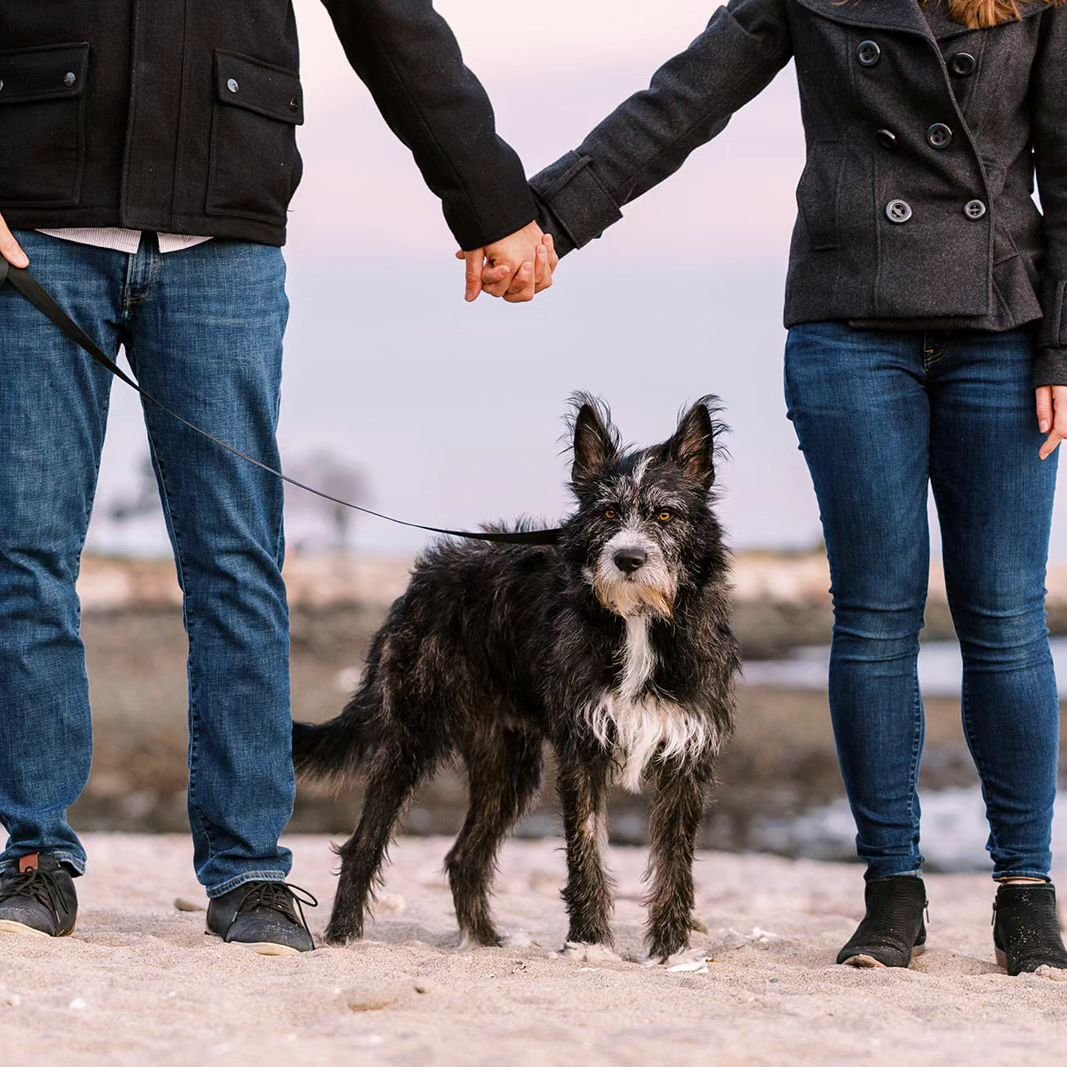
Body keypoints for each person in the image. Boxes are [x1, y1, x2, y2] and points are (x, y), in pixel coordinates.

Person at [518, 0, 1067, 976]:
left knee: (1004, 614)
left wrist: (1061, 344)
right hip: (848, 323)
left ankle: (1025, 890)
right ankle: (890, 888)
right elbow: (684, 99)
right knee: (874, 614)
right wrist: (545, 217)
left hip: (1004, 324)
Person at [0, 1, 556, 955]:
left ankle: (250, 871)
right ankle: (34, 858)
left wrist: (491, 203)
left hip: (226, 229)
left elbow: (389, 20)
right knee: (24, 555)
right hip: (36, 226)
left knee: (237, 564)